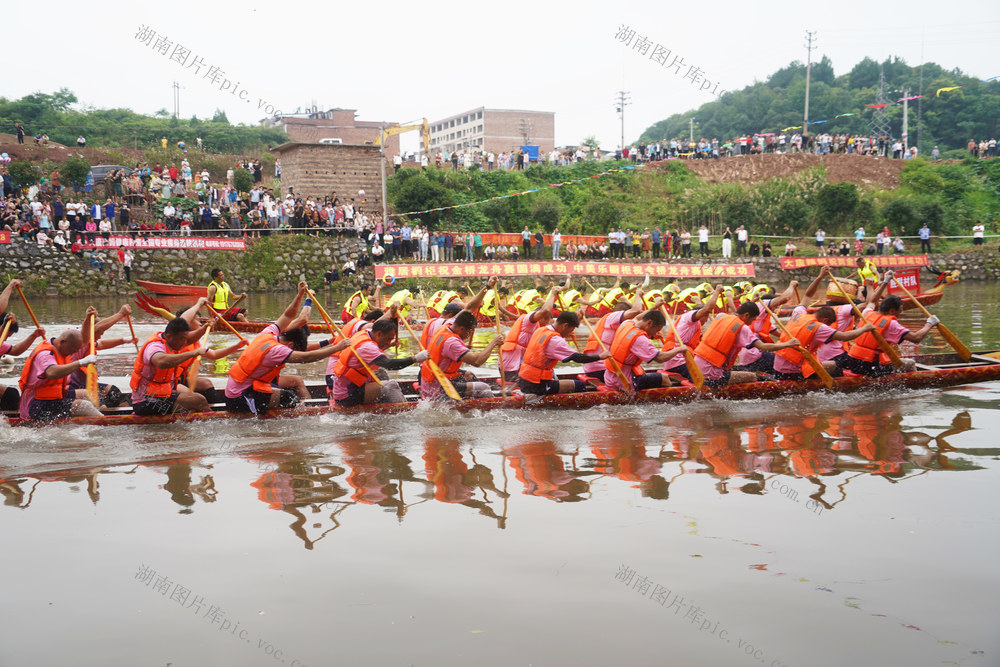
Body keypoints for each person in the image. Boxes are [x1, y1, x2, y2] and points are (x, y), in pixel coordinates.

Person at [225, 284, 347, 414]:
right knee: (289, 398)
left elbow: (288, 315)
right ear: (290, 345)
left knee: (296, 382)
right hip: (241, 396)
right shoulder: (277, 350)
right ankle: (307, 414)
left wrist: (299, 295)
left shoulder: (268, 333)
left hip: (244, 385)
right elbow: (307, 357)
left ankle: (310, 409)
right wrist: (337, 348)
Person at [17, 308, 102, 421]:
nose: (75, 352)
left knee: (90, 394)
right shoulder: (45, 354)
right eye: (74, 349)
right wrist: (81, 362)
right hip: (37, 404)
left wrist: (87, 319)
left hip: (54, 396)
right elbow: (52, 372)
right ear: (63, 342)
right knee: (83, 405)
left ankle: (97, 416)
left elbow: (85, 341)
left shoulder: (63, 346)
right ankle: (105, 423)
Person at [693, 302, 801, 387]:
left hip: (697, 366)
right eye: (752, 320)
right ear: (746, 315)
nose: (751, 323)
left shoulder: (721, 316)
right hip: (711, 373)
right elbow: (763, 348)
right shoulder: (742, 328)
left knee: (737, 370)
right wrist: (788, 344)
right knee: (753, 376)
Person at [329, 318, 427, 406]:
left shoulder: (366, 333)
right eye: (389, 338)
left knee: (381, 373)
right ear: (379, 334)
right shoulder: (366, 346)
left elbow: (375, 353)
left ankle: (387, 403)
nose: (389, 342)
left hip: (348, 386)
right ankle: (404, 411)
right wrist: (416, 358)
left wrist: (387, 345)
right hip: (347, 395)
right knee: (392, 385)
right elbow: (390, 365)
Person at [130, 317, 215, 415]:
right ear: (169, 336)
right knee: (199, 400)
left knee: (190, 405)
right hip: (146, 401)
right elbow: (161, 361)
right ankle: (214, 423)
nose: (185, 343)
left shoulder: (172, 339)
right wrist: (193, 353)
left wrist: (204, 329)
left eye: (185, 338)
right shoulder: (155, 346)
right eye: (182, 339)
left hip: (159, 396)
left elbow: (189, 338)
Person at [517, 311, 608, 400]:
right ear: (564, 325)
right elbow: (578, 358)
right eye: (570, 330)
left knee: (554, 376)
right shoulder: (555, 340)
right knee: (579, 385)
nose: (569, 334)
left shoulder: (541, 330)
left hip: (524, 379)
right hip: (537, 384)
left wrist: (577, 319)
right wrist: (600, 356)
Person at [841, 295, 938, 376]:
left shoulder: (867, 313)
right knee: (910, 363)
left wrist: (885, 282)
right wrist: (929, 324)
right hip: (868, 366)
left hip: (853, 361)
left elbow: (872, 301)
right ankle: (913, 385)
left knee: (891, 361)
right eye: (899, 311)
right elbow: (917, 338)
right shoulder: (891, 324)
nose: (900, 314)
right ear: (891, 311)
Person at [420, 310, 503, 400]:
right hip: (438, 388)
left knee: (469, 375)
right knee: (484, 387)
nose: (470, 335)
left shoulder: (445, 328)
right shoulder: (452, 343)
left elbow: (468, 309)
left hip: (431, 380)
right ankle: (494, 408)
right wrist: (494, 343)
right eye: (470, 331)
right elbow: (477, 361)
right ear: (462, 329)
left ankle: (471, 403)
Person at [603, 310, 688, 392]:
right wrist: (679, 349)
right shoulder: (639, 339)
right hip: (624, 380)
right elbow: (660, 358)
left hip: (610, 375)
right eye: (656, 330)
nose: (655, 334)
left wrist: (655, 307)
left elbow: (637, 317)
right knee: (664, 378)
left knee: (644, 373)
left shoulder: (626, 323)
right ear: (649, 323)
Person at [499, 285, 561, 382]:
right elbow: (546, 310)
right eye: (546, 320)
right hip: (512, 370)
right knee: (549, 374)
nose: (547, 324)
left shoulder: (538, 329)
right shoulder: (529, 321)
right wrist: (553, 294)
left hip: (512, 368)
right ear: (540, 316)